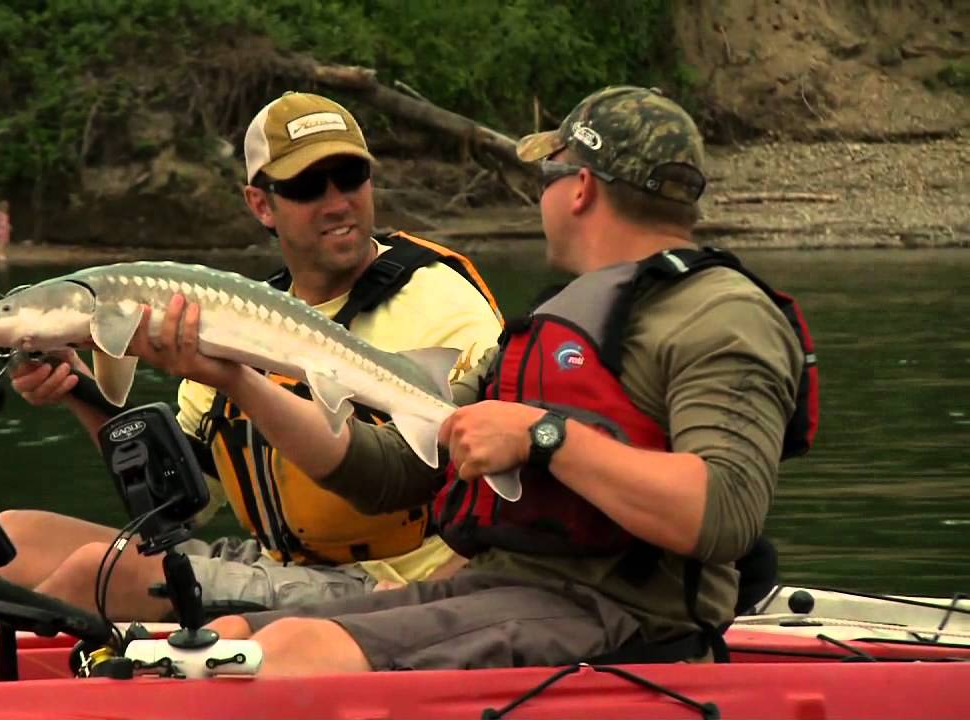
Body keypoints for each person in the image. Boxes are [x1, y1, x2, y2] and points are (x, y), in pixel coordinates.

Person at [129, 85, 817, 675]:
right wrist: (241, 380)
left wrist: (546, 435)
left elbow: (725, 514)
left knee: (294, 652)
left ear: (578, 188)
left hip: (624, 618)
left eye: (549, 170)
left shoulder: (724, 315)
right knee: (247, 638)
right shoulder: (562, 318)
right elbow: (394, 475)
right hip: (508, 584)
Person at [0, 92, 504, 623]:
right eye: (305, 187)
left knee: (101, 571)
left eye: (350, 178)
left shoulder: (439, 301)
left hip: (395, 588)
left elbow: (436, 476)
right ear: (261, 204)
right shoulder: (224, 317)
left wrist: (233, 377)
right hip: (276, 562)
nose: (336, 203)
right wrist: (79, 390)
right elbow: (181, 508)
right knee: (6, 541)